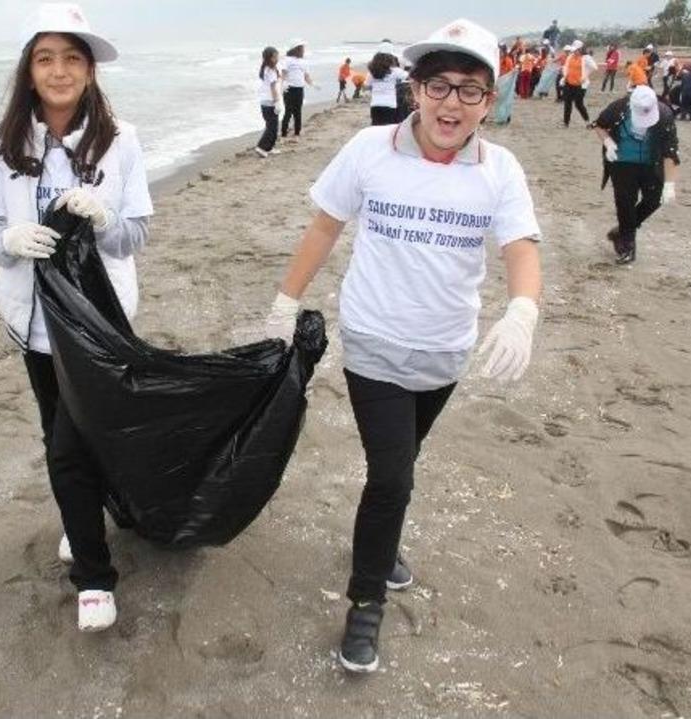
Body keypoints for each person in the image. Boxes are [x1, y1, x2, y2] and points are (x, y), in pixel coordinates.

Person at [263, 18, 542, 674]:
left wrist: (523, 309)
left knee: (403, 460)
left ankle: (383, 550)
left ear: (490, 99)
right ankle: (366, 602)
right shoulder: (369, 149)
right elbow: (326, 224)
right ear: (414, 89)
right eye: (439, 85)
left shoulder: (499, 170)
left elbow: (520, 248)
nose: (452, 103)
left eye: (470, 90)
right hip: (374, 344)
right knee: (392, 475)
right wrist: (284, 301)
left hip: (445, 351)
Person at [0, 2, 154, 632]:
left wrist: (104, 221)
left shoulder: (120, 138)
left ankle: (94, 577)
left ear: (90, 70)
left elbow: (135, 236)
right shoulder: (2, 138)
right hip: (33, 320)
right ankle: (83, 521)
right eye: (45, 57)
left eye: (72, 57)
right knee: (60, 432)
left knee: (76, 443)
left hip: (99, 323)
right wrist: (13, 240)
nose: (59, 69)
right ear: (28, 70)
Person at [591, 85, 680, 264]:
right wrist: (608, 142)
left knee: (654, 200)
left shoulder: (664, 116)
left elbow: (670, 152)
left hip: (651, 164)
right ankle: (627, 245)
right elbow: (599, 125)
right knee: (625, 203)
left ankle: (621, 231)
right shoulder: (618, 108)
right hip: (622, 162)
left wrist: (670, 185)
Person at [281, 39, 316, 139]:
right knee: (288, 111)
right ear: (296, 49)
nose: (303, 51)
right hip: (289, 89)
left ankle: (297, 133)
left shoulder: (303, 62)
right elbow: (283, 73)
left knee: (298, 112)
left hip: (299, 89)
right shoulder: (287, 60)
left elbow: (306, 76)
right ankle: (283, 134)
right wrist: (282, 85)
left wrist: (313, 84)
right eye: (302, 49)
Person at [367, 50, 409, 125]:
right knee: (388, 129)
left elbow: (367, 86)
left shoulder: (372, 72)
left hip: (375, 104)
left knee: (376, 127)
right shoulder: (395, 71)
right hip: (389, 104)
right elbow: (408, 76)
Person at [561, 40, 596, 127]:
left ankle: (587, 122)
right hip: (569, 83)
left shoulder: (586, 58)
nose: (574, 51)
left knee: (578, 104)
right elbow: (566, 66)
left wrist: (585, 76)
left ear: (581, 49)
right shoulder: (570, 57)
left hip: (580, 85)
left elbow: (594, 67)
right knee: (567, 103)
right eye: (573, 50)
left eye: (576, 50)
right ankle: (566, 123)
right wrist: (564, 76)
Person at [255, 46, 283, 157]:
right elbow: (272, 88)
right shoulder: (270, 70)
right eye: (275, 57)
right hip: (269, 101)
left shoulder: (266, 68)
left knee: (272, 126)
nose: (277, 59)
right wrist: (277, 102)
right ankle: (261, 147)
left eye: (277, 56)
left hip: (264, 101)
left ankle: (269, 148)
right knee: (272, 127)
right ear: (269, 58)